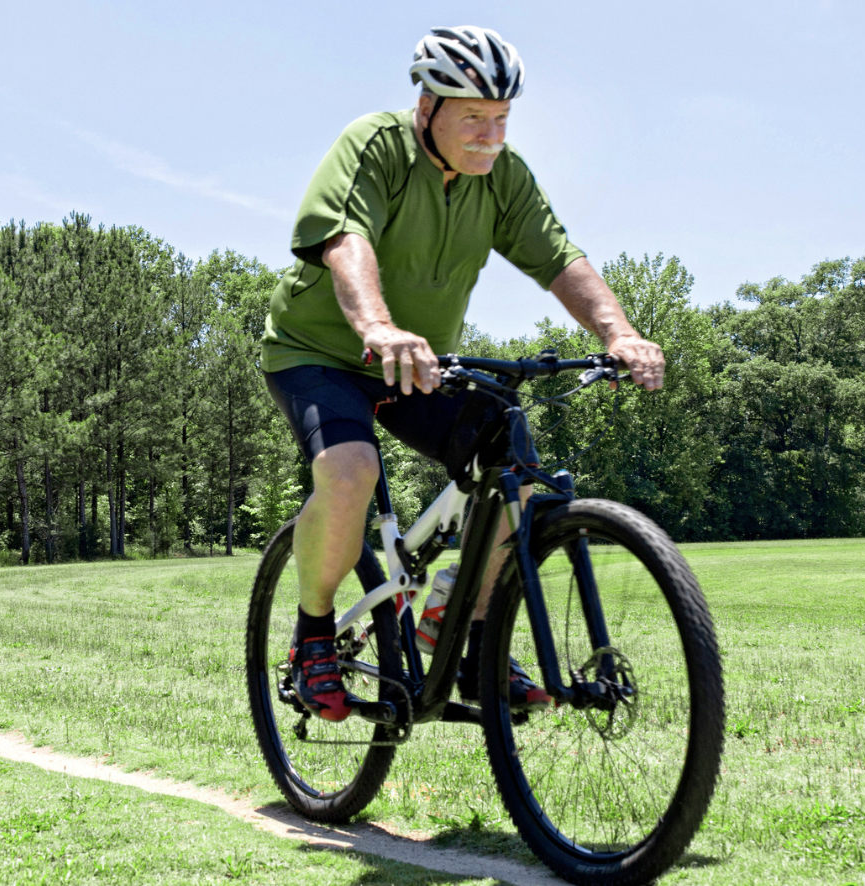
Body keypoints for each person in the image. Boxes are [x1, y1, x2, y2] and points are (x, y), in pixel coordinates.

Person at [260, 26, 665, 722]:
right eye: (473, 116)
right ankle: (314, 634)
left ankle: (464, 629)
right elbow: (344, 239)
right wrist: (378, 327)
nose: (490, 134)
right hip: (320, 354)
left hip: (420, 364)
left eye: (502, 118)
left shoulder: (501, 177)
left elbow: (559, 259)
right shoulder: (376, 146)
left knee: (512, 462)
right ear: (427, 106)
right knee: (350, 471)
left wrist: (619, 331)